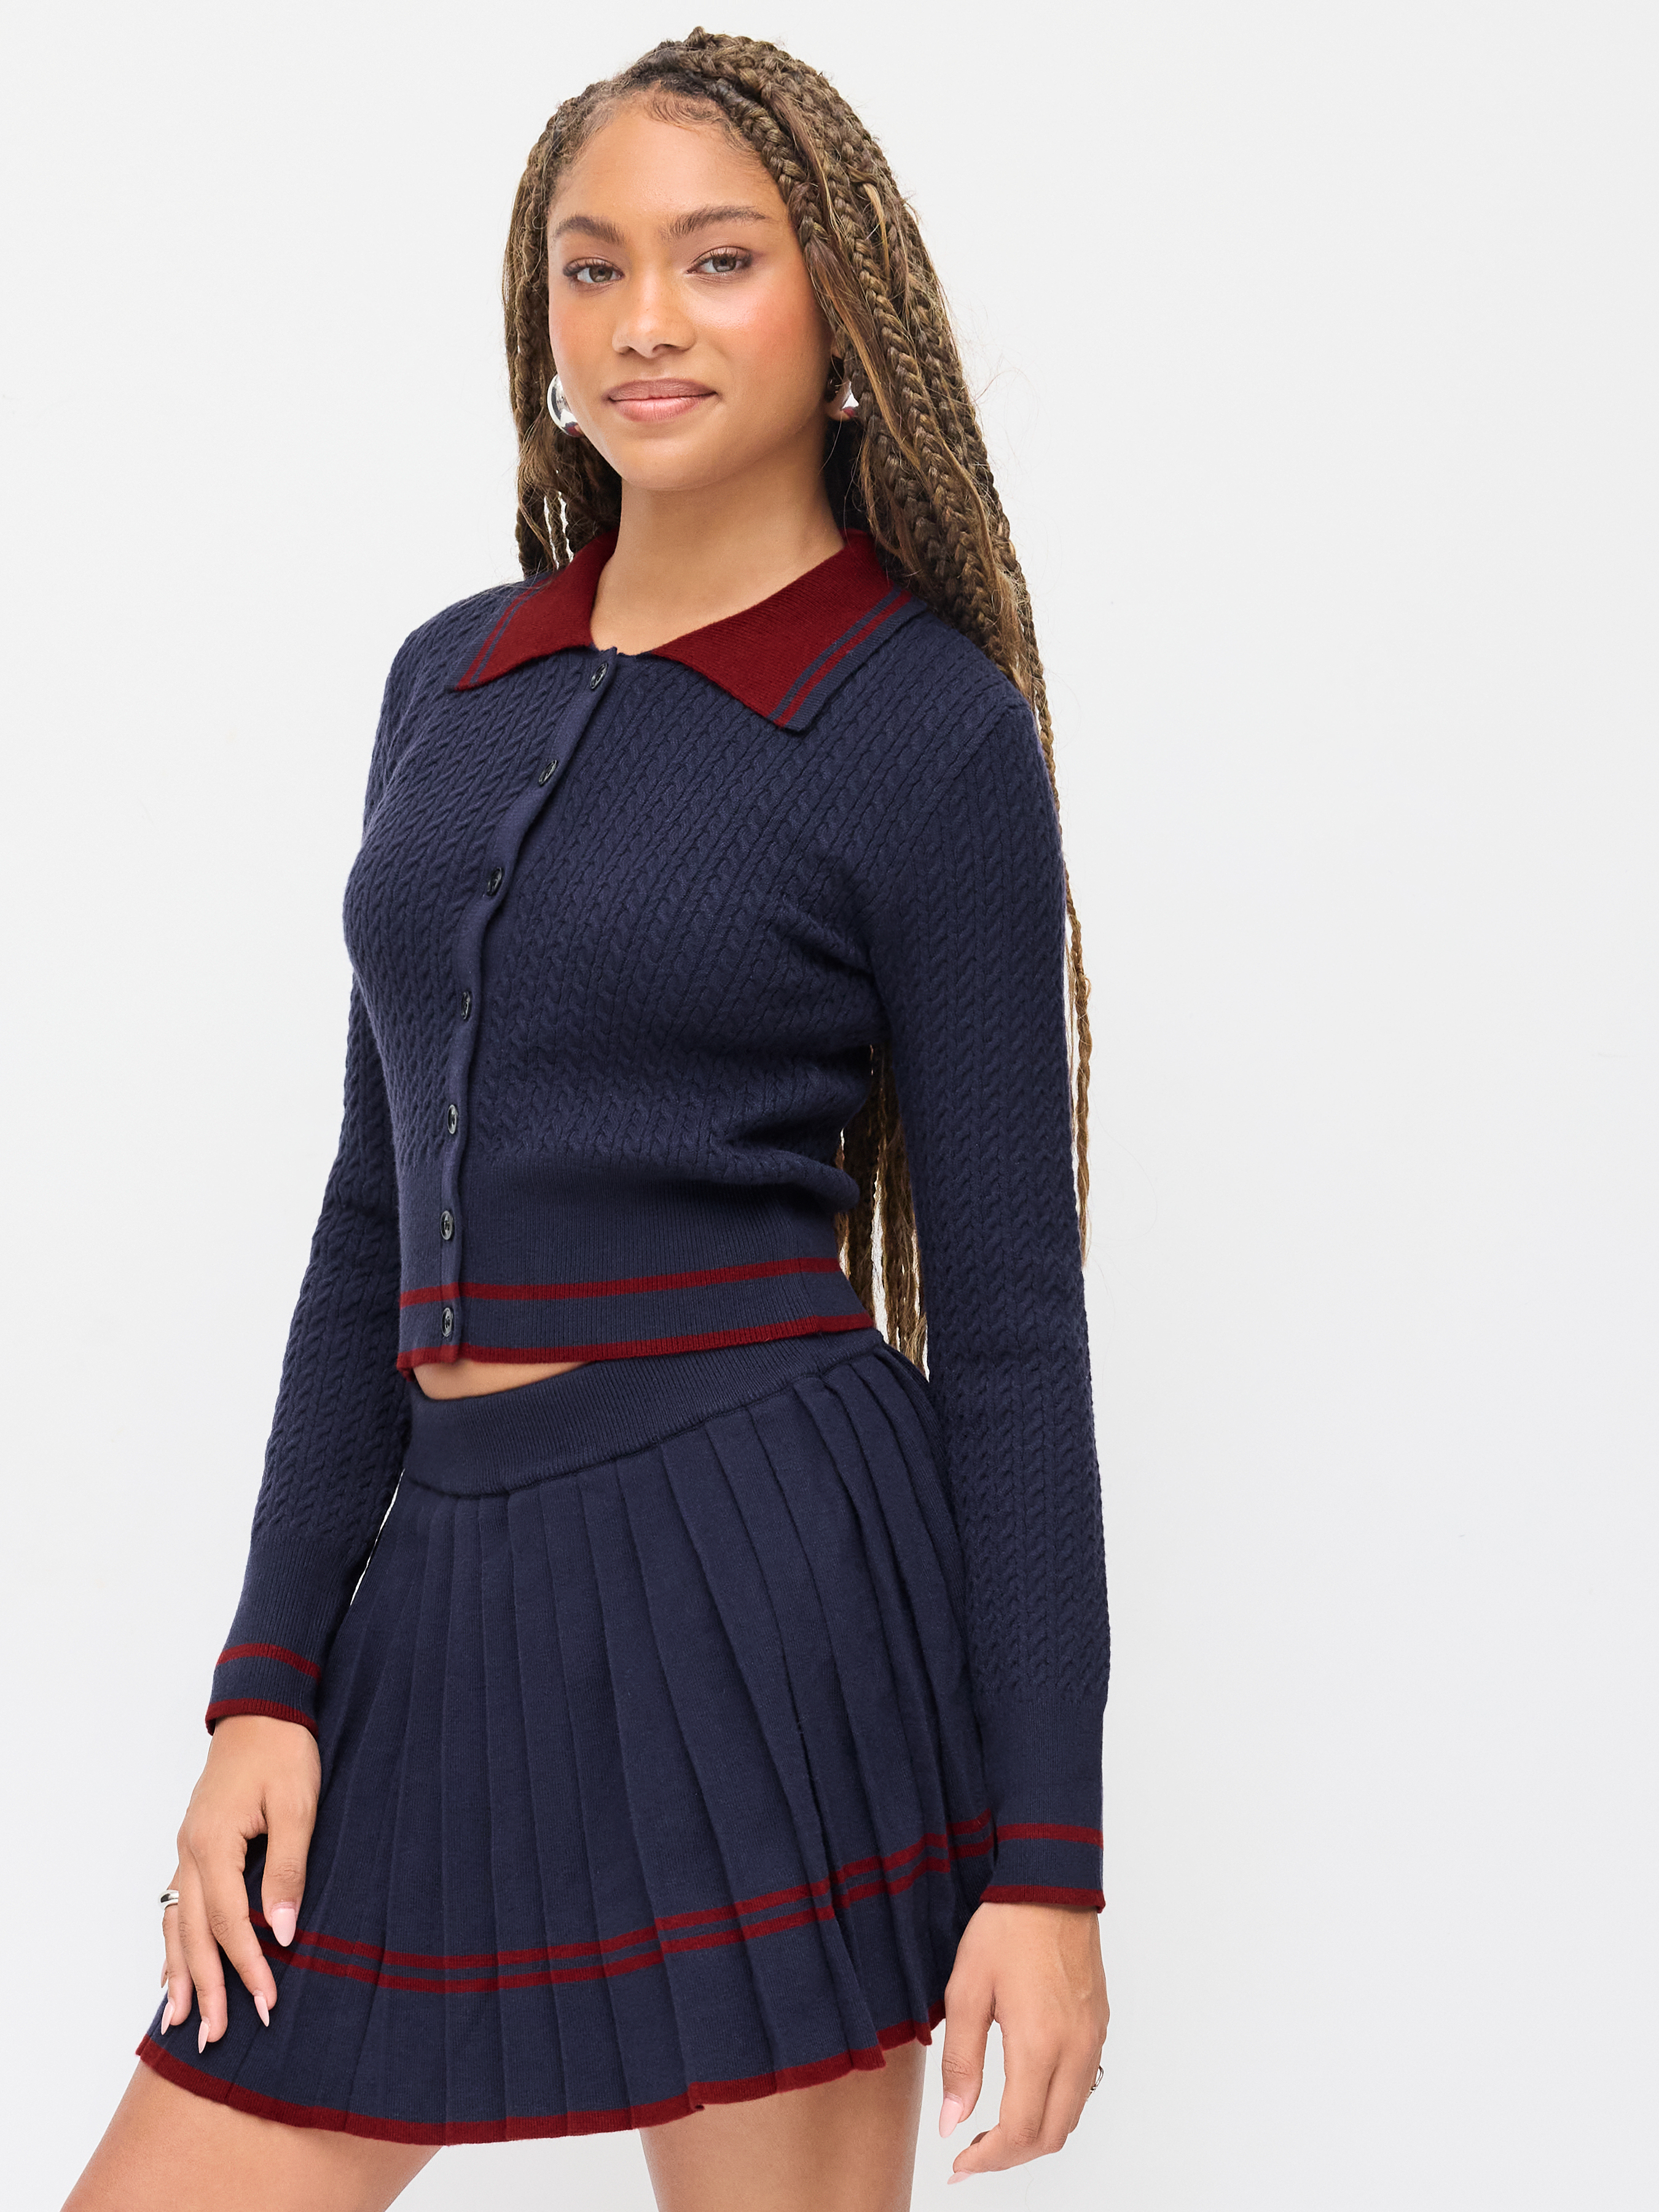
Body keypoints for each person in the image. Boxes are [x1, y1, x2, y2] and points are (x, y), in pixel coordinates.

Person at [66, 29, 1112, 2212]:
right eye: (592, 264)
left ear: (841, 320)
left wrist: (1047, 1867)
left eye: (718, 260)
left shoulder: (923, 726)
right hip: (443, 1588)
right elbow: (373, 1215)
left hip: (765, 1597)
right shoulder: (449, 681)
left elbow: (1011, 1324)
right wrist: (266, 1681)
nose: (646, 319)